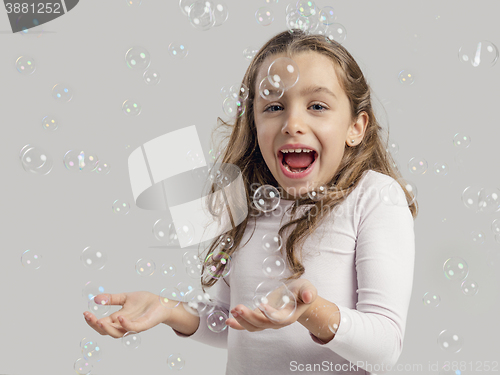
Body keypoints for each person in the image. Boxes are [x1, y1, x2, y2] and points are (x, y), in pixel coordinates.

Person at [83, 29, 417, 374]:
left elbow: (385, 346)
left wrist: (310, 309)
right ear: (254, 122)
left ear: (356, 127)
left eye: (317, 105)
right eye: (273, 106)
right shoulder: (243, 199)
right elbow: (236, 322)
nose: (293, 124)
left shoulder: (375, 197)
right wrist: (168, 309)